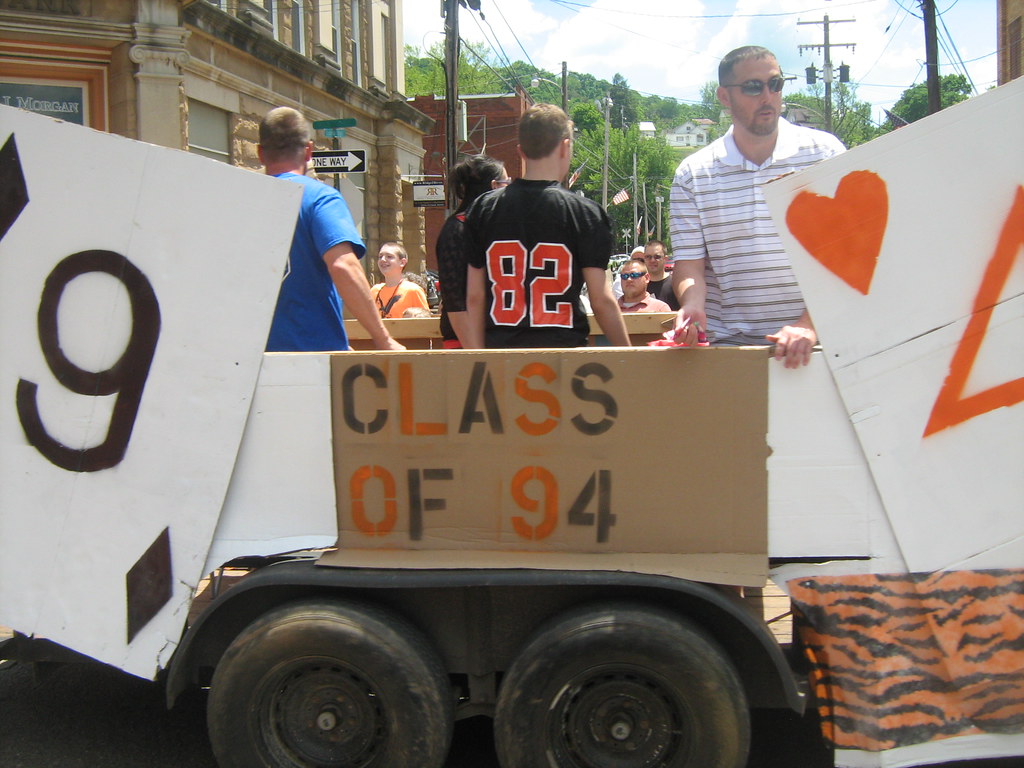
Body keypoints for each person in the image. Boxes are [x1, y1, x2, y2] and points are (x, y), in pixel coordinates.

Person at [668, 45, 846, 367]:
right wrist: (692, 302)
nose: (768, 95)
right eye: (753, 87)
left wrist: (809, 325)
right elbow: (689, 265)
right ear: (724, 97)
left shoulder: (825, 153)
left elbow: (846, 254)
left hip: (818, 347)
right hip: (730, 351)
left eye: (775, 84)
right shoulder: (692, 173)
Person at [465, 104, 629, 349]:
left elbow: (475, 298)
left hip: (502, 358)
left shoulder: (482, 209)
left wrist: (479, 360)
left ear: (520, 151)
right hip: (564, 357)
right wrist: (629, 356)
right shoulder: (585, 213)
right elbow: (601, 300)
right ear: (565, 147)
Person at [260, 107, 403, 352]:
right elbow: (343, 266)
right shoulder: (319, 198)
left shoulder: (235, 200)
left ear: (260, 153)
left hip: (246, 361)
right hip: (311, 355)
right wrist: (383, 339)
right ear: (309, 151)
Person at [435, 155, 509, 348]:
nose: (510, 189)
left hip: (501, 336)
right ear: (494, 185)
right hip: (464, 341)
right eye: (506, 182)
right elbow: (454, 301)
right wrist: (476, 354)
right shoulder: (457, 229)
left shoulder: (500, 225)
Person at [371, 242, 430, 318]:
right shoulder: (374, 291)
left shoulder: (413, 290)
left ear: (402, 262)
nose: (383, 260)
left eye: (389, 256)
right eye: (380, 256)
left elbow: (425, 322)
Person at [642, 240, 679, 311]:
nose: (652, 260)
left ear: (665, 259)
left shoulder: (675, 285)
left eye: (657, 257)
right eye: (648, 257)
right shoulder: (640, 285)